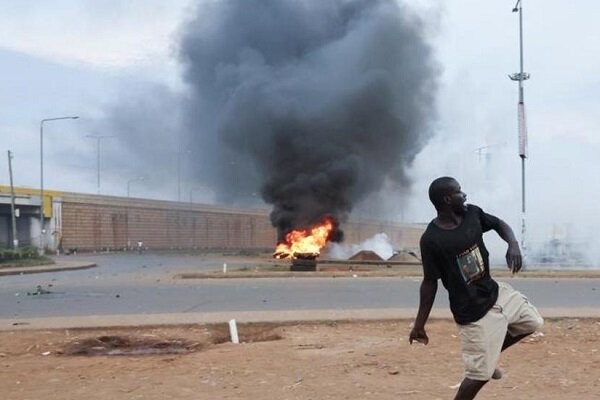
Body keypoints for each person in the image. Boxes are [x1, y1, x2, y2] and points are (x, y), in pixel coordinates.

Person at [409, 177, 543, 400]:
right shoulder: (431, 240)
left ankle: (490, 355)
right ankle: (485, 364)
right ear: (447, 199)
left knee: (532, 322)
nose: (465, 195)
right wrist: (419, 325)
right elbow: (430, 283)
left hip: (496, 293)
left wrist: (513, 244)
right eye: (460, 191)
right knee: (478, 377)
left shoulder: (472, 214)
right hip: (472, 313)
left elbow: (499, 224)